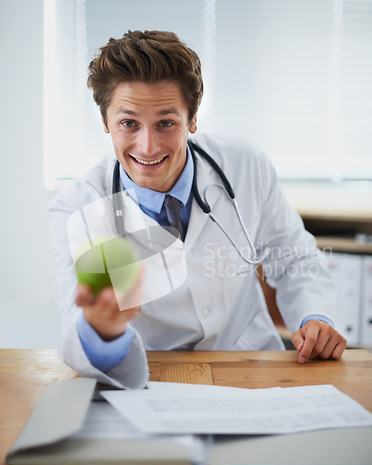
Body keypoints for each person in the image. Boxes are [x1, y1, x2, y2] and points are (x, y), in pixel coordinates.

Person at [48, 30, 346, 389]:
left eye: (166, 123)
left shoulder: (243, 164)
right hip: (153, 376)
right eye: (128, 123)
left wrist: (314, 317)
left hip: (251, 365)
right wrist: (101, 329)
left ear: (192, 119)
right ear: (105, 123)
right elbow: (74, 331)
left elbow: (294, 255)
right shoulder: (79, 209)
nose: (147, 145)